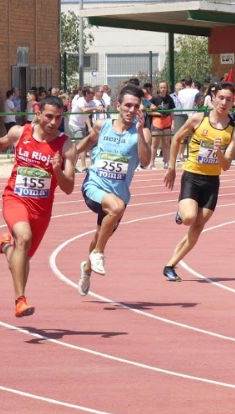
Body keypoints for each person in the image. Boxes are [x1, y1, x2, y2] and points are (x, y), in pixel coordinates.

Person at [0, 96, 77, 317]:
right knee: (23, 237)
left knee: (20, 260)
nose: (53, 122)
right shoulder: (20, 132)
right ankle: (20, 301)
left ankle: (5, 246)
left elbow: (69, 188)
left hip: (41, 209)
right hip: (15, 198)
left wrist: (58, 170)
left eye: (58, 118)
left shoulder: (67, 146)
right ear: (38, 113)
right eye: (49, 116)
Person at [75, 84, 152, 295]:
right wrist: (68, 156)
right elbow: (87, 142)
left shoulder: (142, 132)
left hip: (119, 192)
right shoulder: (103, 125)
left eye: (135, 106)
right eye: (127, 105)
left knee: (100, 233)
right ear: (118, 105)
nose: (130, 110)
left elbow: (145, 161)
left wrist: (139, 134)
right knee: (116, 208)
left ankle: (87, 268)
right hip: (95, 185)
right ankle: (99, 253)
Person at [162, 82, 235, 281]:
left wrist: (218, 153)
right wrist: (171, 167)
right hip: (192, 175)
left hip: (212, 181)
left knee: (198, 226)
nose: (224, 103)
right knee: (189, 218)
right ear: (213, 98)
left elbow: (226, 166)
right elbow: (177, 139)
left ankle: (170, 265)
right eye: (221, 98)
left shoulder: (234, 131)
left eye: (229, 99)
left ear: (233, 102)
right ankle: (181, 213)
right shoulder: (198, 119)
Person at [149, 81, 174, 169]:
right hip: (157, 123)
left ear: (167, 88)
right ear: (159, 88)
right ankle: (152, 163)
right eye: (161, 87)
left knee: (167, 144)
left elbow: (171, 112)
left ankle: (166, 162)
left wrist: (173, 123)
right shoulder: (154, 98)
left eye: (164, 87)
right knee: (154, 145)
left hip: (167, 123)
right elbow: (148, 111)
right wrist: (158, 113)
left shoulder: (170, 99)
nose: (163, 89)